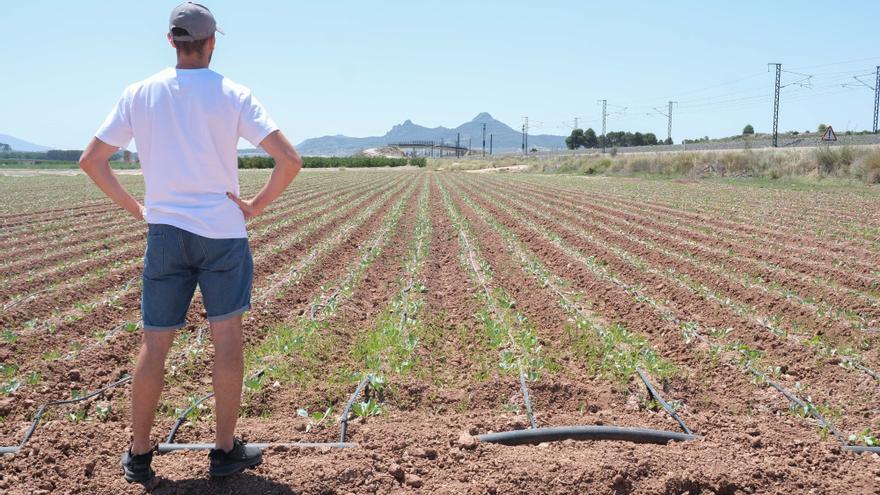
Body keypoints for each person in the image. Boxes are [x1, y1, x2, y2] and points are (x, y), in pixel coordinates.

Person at [78, 2, 302, 482]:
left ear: (171, 42)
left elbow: (92, 160)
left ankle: (138, 455)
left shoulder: (140, 93)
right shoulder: (233, 94)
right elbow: (289, 160)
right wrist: (256, 206)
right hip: (223, 234)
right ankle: (224, 452)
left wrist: (137, 208)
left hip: (165, 235)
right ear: (212, 43)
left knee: (154, 345)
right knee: (227, 341)